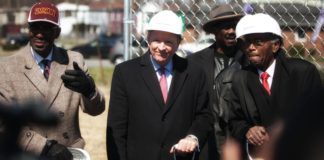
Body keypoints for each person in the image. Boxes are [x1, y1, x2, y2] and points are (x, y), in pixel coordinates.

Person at [0, 2, 105, 160]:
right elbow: (4, 122)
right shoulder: (7, 67)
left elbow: (96, 110)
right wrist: (45, 146)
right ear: (28, 29)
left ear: (57, 32)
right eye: (35, 27)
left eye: (46, 28)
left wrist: (89, 90)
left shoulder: (73, 60)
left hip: (69, 154)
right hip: (26, 154)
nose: (40, 34)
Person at [106, 10, 213, 160]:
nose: (161, 47)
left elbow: (204, 115)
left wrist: (193, 137)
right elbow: (117, 127)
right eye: (156, 40)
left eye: (168, 42)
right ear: (148, 38)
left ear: (178, 42)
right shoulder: (125, 73)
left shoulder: (194, 72)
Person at [228, 13, 322, 160]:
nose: (250, 48)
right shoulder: (240, 78)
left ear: (275, 45)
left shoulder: (302, 72)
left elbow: (316, 118)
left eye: (257, 42)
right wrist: (248, 130)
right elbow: (234, 120)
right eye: (246, 43)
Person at [187, 3, 244, 160]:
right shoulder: (194, 62)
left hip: (241, 138)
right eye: (226, 27)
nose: (232, 31)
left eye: (234, 26)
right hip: (207, 140)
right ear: (214, 31)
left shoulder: (248, 59)